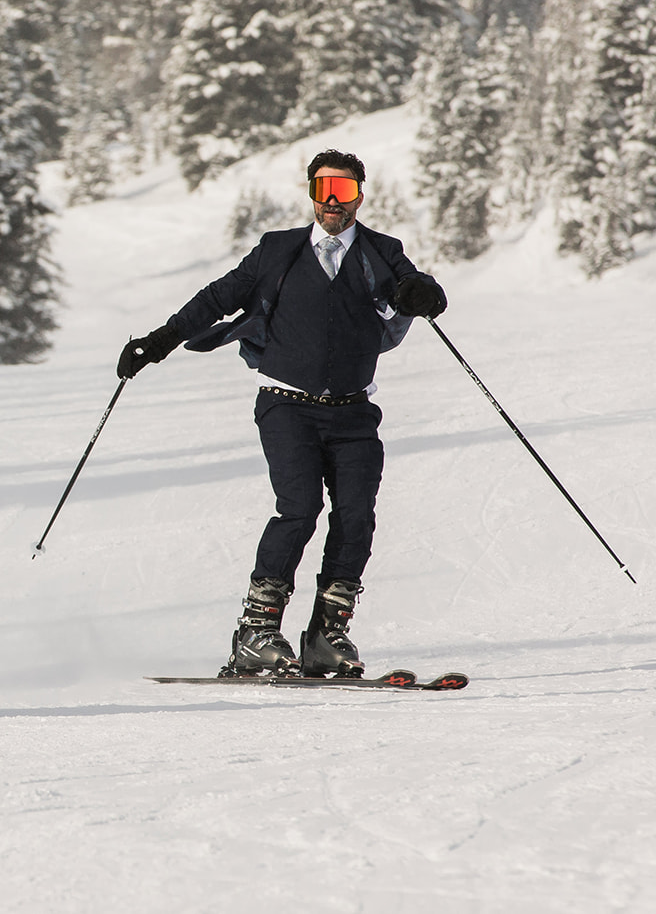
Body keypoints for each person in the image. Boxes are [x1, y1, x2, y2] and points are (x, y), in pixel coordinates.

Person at [116, 150, 446, 678]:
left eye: (341, 190)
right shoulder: (279, 251)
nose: (331, 202)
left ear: (360, 194)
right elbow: (216, 299)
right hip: (286, 404)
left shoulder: (382, 253)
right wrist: (157, 343)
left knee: (356, 515)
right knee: (299, 507)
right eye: (322, 190)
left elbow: (416, 290)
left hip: (354, 411)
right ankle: (256, 631)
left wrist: (422, 292)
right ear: (311, 193)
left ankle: (325, 634)